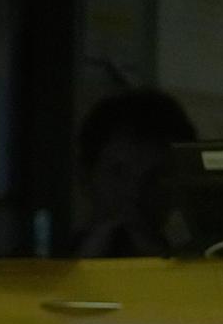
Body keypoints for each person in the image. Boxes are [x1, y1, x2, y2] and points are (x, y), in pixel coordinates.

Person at [70, 89, 197, 258]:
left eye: (155, 175)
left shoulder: (199, 259)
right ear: (86, 176)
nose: (135, 191)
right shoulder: (50, 260)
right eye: (119, 173)